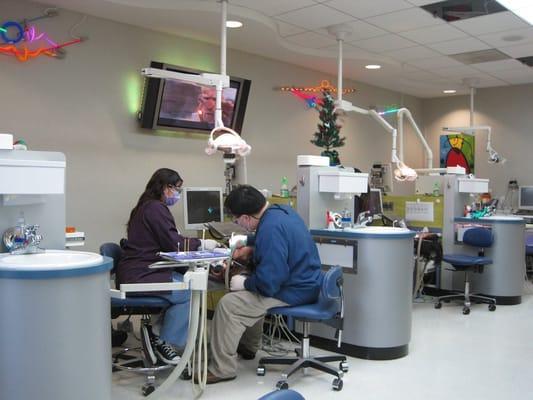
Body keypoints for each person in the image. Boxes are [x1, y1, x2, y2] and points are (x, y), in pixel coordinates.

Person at [204, 185, 323, 384]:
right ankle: (249, 347)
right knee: (249, 300)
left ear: (246, 218)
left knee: (230, 304)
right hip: (307, 280)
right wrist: (250, 244)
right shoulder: (280, 211)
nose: (237, 223)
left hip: (294, 289)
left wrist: (245, 283)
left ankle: (222, 369)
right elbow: (273, 239)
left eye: (236, 219)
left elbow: (269, 283)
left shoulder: (270, 228)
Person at [116, 168, 219, 365]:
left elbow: (169, 242)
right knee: (191, 291)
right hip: (140, 275)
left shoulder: (147, 206)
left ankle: (156, 333)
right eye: (176, 189)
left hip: (139, 271)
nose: (177, 194)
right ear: (165, 187)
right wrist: (203, 244)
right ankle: (166, 341)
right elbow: (175, 244)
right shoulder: (155, 208)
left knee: (186, 284)